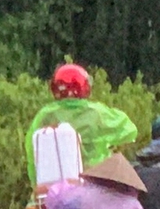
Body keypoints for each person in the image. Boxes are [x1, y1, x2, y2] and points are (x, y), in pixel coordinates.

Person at [25, 64, 139, 194]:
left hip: (51, 189)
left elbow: (32, 151)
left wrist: (36, 183)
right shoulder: (96, 112)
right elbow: (130, 130)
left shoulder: (44, 115)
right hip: (92, 183)